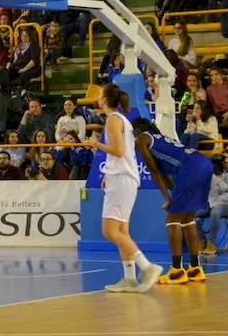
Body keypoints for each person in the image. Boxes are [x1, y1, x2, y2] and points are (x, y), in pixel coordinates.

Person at [87, 85, 163, 293]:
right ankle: (129, 278)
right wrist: (107, 174)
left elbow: (118, 151)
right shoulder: (121, 119)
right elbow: (123, 153)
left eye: (100, 95)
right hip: (120, 177)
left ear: (103, 100)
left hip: (122, 179)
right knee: (121, 231)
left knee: (109, 231)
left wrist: (96, 144)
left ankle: (147, 267)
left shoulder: (113, 120)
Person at [133, 118, 211, 285]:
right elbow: (165, 175)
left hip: (190, 168)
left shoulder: (141, 139)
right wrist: (171, 198)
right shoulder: (160, 139)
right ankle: (195, 268)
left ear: (137, 129)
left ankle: (176, 270)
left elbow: (154, 172)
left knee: (172, 220)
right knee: (188, 219)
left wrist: (168, 199)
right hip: (203, 163)